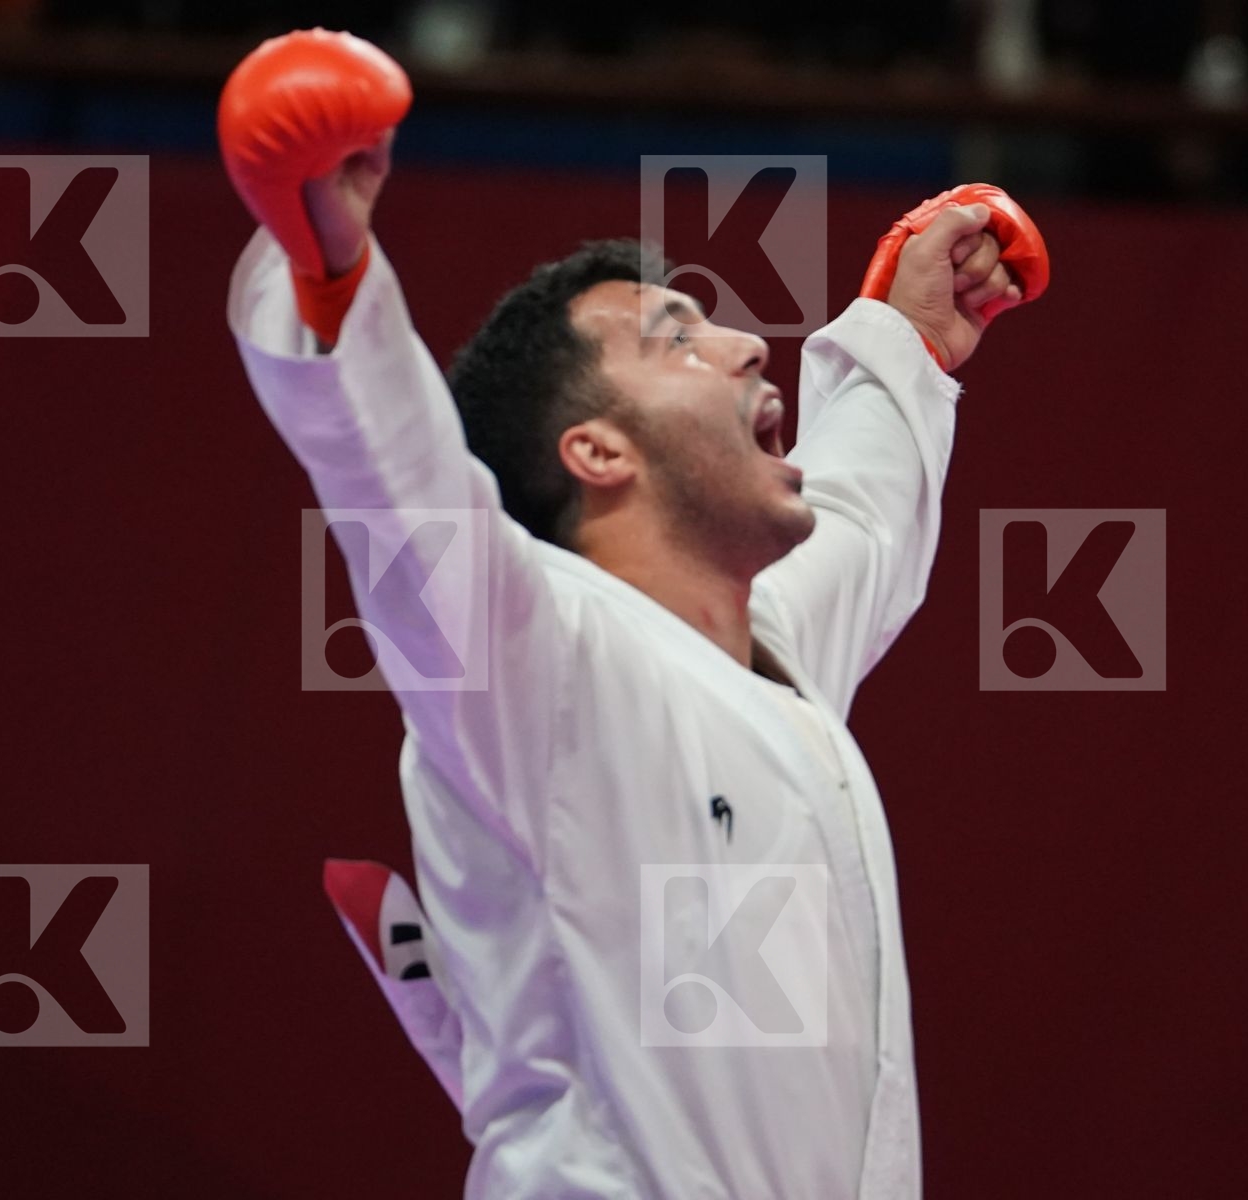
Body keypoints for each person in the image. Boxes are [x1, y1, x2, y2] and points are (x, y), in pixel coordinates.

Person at [218, 27, 1045, 1200]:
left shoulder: (771, 655)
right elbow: (396, 494)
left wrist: (907, 342)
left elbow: (864, 513)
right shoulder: (532, 649)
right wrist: (328, 268)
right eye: (678, 337)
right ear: (594, 448)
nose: (754, 346)